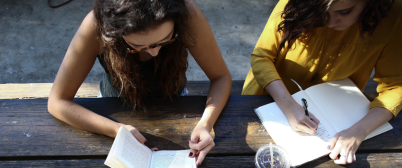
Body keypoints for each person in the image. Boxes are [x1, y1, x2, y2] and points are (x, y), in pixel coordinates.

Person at [47, 0, 232, 166]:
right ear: (114, 32)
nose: (154, 53)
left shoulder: (186, 12)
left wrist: (206, 123)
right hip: (112, 108)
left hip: (175, 101)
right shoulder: (97, 25)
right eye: (137, 47)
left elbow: (221, 77)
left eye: (165, 40)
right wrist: (118, 130)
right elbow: (57, 102)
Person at [242, 0, 401, 165]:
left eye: (345, 12)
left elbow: (396, 87)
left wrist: (358, 132)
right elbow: (262, 57)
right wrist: (289, 106)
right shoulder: (296, 3)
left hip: (339, 115)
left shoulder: (394, 16)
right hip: (267, 97)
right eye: (322, 12)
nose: (330, 22)